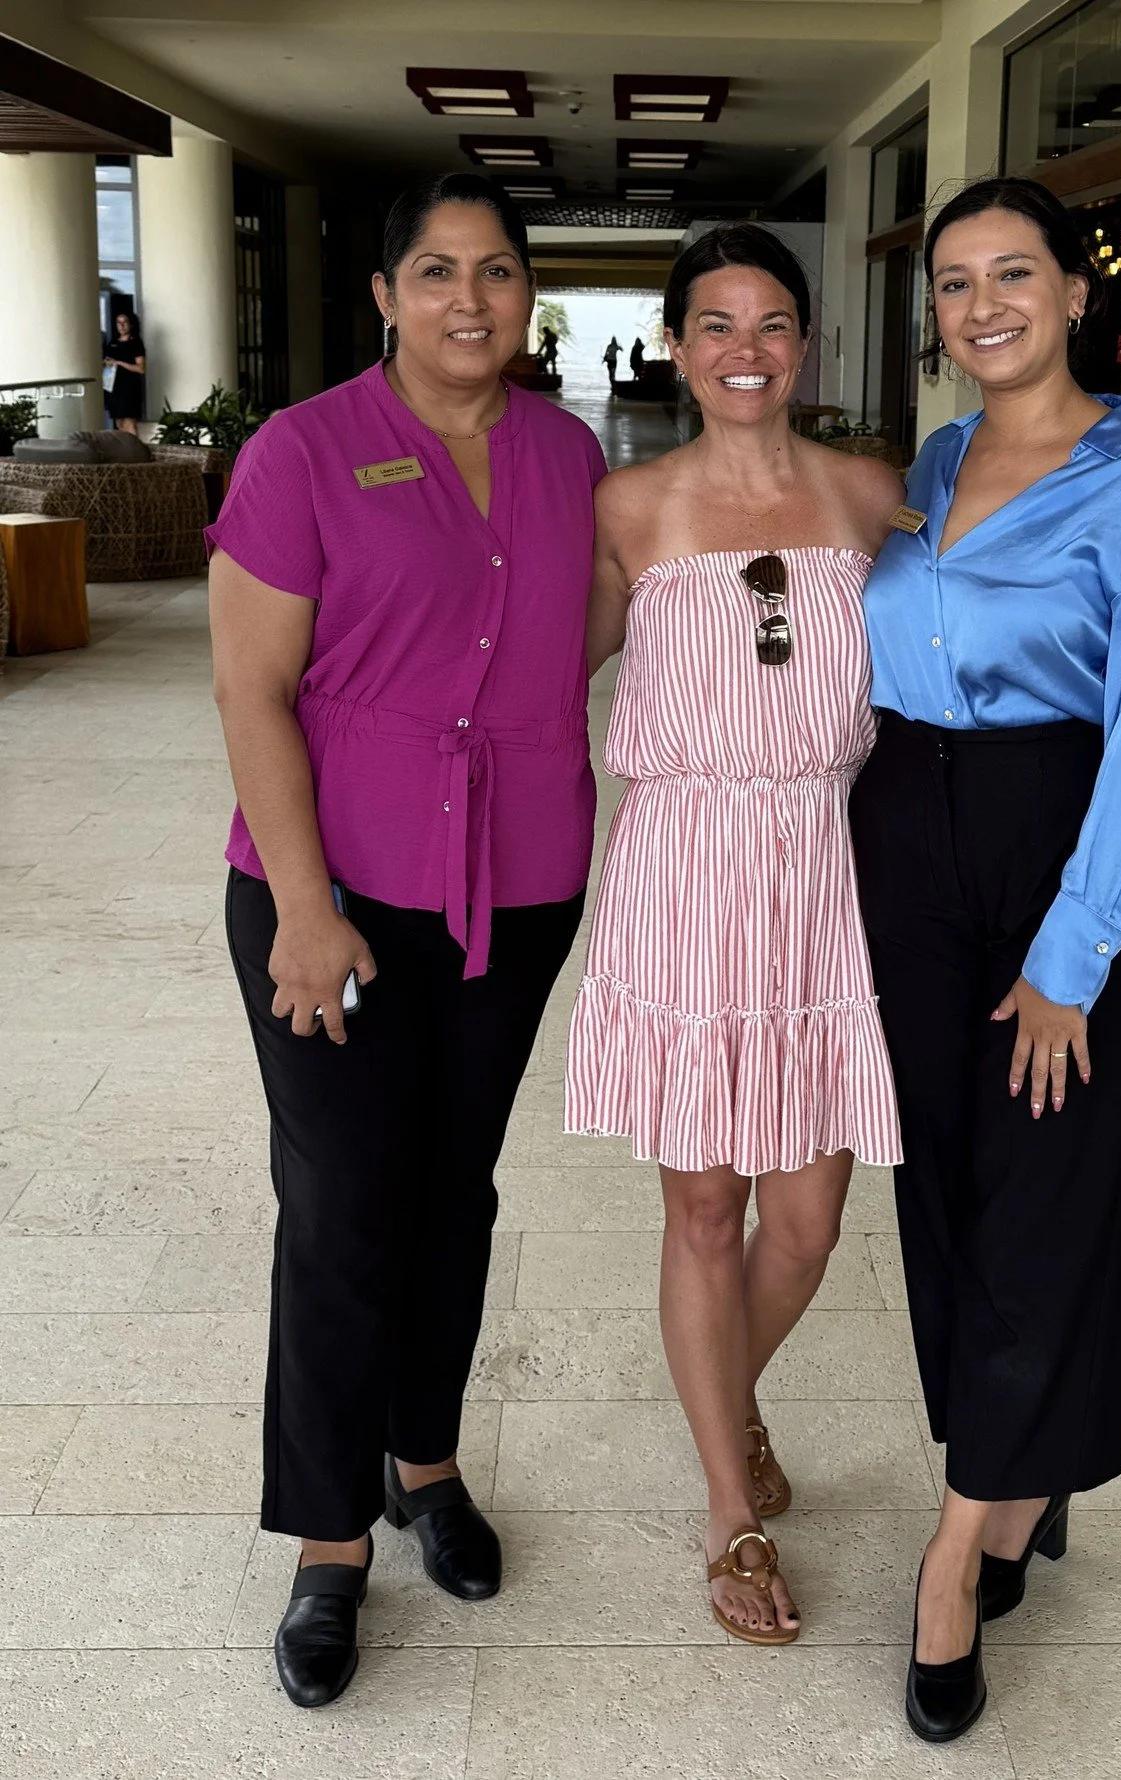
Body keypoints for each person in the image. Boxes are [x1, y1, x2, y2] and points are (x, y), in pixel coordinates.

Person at [208, 171, 607, 1710]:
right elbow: (251, 688)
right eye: (436, 271)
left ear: (528, 294)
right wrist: (305, 910)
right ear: (385, 294)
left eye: (497, 270)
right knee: (342, 1205)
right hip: (339, 895)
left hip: (516, 886)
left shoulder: (568, 454)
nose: (469, 299)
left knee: (456, 1187)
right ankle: (328, 1542)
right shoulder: (302, 452)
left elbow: (591, 629)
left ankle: (422, 1461)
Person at [850, 175, 1121, 1742]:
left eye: (1015, 273)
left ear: (1078, 292)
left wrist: (1074, 955)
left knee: (1049, 1190)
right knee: (942, 1184)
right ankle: (1014, 1474)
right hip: (905, 840)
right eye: (955, 281)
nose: (982, 304)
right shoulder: (934, 465)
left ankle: (959, 1552)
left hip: (1061, 848)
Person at [567, 223, 904, 1645]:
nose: (745, 349)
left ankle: (727, 1397)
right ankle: (729, 1505)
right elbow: (545, 660)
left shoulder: (869, 494)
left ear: (805, 343)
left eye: (772, 322)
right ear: (676, 345)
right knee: (707, 1210)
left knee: (809, 1222)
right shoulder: (630, 504)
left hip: (826, 870)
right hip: (683, 874)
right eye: (715, 323)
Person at [103, 311, 145, 434]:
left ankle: (134, 446)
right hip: (113, 387)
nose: (121, 326)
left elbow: (141, 368)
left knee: (129, 422)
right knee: (119, 423)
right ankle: (124, 446)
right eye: (118, 323)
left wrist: (119, 363)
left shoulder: (135, 343)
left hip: (129, 389)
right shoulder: (113, 343)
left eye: (124, 322)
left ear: (130, 324)